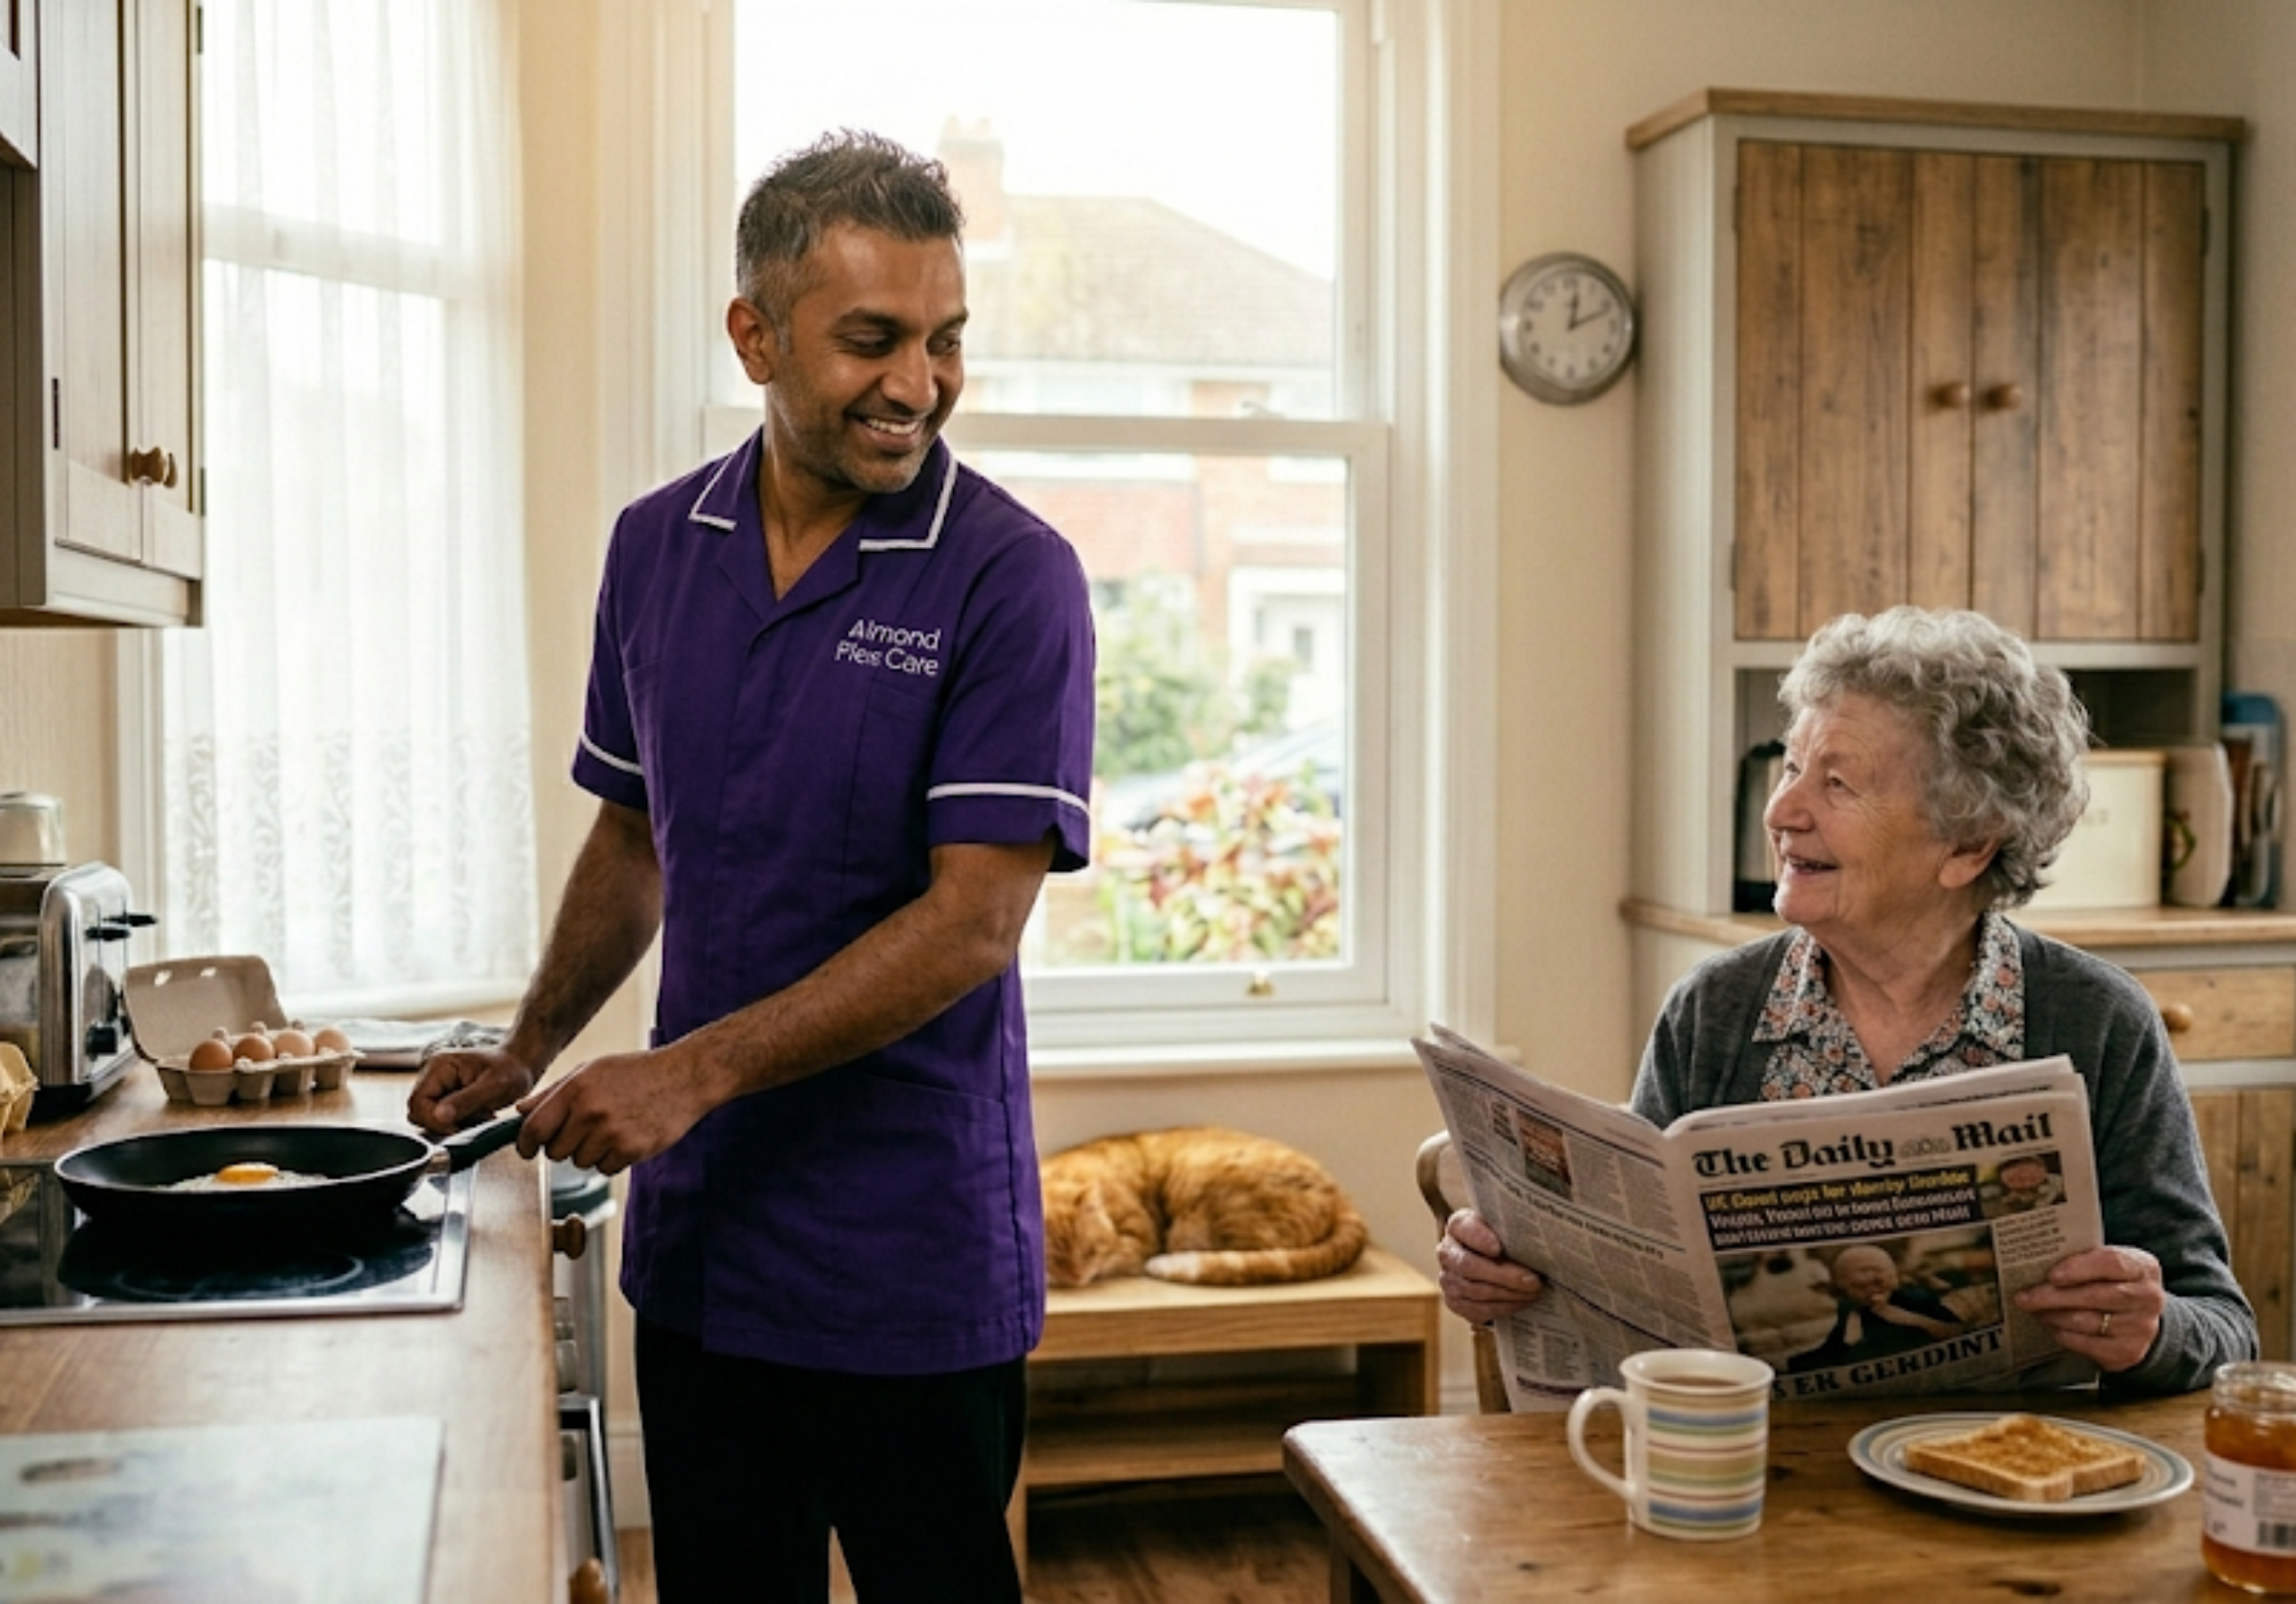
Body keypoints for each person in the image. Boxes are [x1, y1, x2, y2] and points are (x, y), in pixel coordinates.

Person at [406, 131, 1096, 1603]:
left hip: (910, 1252)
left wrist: (687, 1073)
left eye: (945, 340)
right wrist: (528, 1048)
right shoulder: (658, 547)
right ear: (755, 335)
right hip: (709, 1244)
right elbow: (634, 832)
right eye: (873, 340)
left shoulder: (1008, 574)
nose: (919, 384)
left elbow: (974, 922)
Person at [1437, 606, 2256, 1394]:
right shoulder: (1715, 1010)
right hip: (1762, 1478)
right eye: (1794, 767)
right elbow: (1636, 1281)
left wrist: (2151, 1330)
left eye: (1838, 784)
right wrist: (1508, 1275)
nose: (1783, 810)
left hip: (2010, 1475)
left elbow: (2221, 1326)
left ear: (1968, 845)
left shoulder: (2097, 1020)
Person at [1786, 1245, 1965, 1372]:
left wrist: (1908, 1319)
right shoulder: (1850, 1309)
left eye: (1878, 1281)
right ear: (1843, 1288)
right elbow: (1835, 1350)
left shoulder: (1914, 1298)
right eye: (1860, 1286)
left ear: (1893, 1277)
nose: (1871, 1290)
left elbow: (1958, 1334)